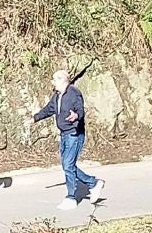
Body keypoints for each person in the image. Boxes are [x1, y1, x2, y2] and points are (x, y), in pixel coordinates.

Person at [34, 68, 103, 209]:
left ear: (62, 80)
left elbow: (80, 110)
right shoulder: (57, 96)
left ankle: (71, 197)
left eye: (54, 79)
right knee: (68, 166)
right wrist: (34, 118)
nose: (52, 82)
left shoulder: (74, 92)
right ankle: (93, 183)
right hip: (64, 134)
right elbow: (48, 110)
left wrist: (76, 116)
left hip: (74, 133)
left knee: (68, 165)